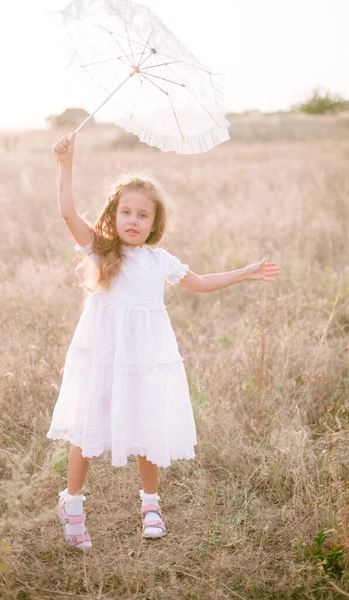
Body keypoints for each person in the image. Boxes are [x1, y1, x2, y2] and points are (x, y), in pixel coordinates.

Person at [47, 132, 281, 550]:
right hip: (103, 354)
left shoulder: (160, 261)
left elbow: (201, 283)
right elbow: (66, 211)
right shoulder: (101, 252)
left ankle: (150, 505)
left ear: (155, 223)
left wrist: (243, 272)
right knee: (86, 427)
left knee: (145, 423)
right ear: (113, 216)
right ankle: (73, 504)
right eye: (126, 212)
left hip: (145, 356)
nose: (133, 221)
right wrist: (66, 163)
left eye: (143, 215)